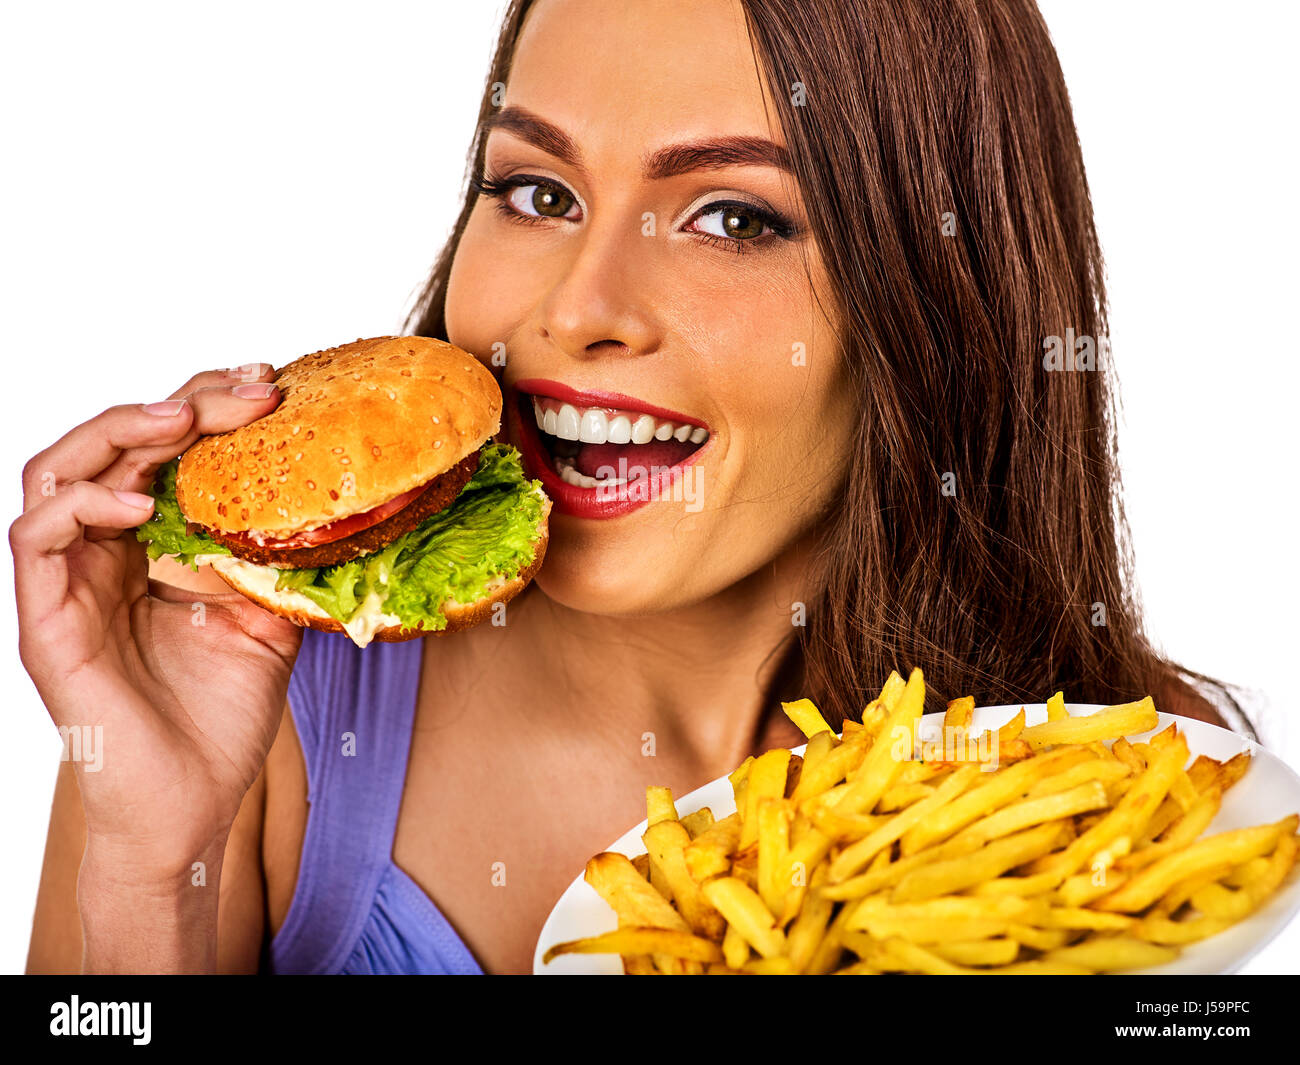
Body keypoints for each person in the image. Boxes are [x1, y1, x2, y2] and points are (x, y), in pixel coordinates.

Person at [15, 0, 1247, 976]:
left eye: (731, 218)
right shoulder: (256, 703)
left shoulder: (1134, 778)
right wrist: (142, 864)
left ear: (939, 301)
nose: (577, 310)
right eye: (537, 193)